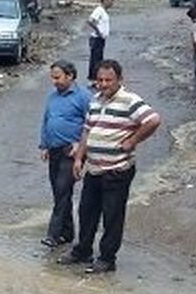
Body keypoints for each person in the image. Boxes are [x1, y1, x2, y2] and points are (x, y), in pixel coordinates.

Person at [59, 60, 161, 274]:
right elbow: (87, 131)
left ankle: (107, 258)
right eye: (100, 80)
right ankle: (83, 251)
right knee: (86, 211)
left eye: (108, 80)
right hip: (94, 168)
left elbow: (153, 120)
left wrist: (133, 141)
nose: (103, 84)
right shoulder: (95, 100)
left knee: (112, 215)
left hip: (117, 169)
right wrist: (79, 159)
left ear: (119, 80)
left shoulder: (130, 100)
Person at [37, 60, 91, 247]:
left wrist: (81, 147)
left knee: (62, 189)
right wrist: (44, 145)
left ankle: (53, 234)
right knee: (59, 192)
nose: (54, 81)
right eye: (52, 77)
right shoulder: (52, 98)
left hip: (72, 151)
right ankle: (67, 233)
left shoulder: (84, 97)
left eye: (58, 77)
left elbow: (91, 123)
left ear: (70, 76)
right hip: (54, 150)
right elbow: (46, 120)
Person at [86, 0, 114, 82]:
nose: (112, 3)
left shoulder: (103, 11)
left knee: (98, 58)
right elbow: (90, 21)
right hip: (97, 38)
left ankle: (94, 78)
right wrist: (98, 31)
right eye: (110, 1)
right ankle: (94, 79)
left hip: (101, 39)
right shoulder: (99, 10)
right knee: (96, 60)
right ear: (105, 0)